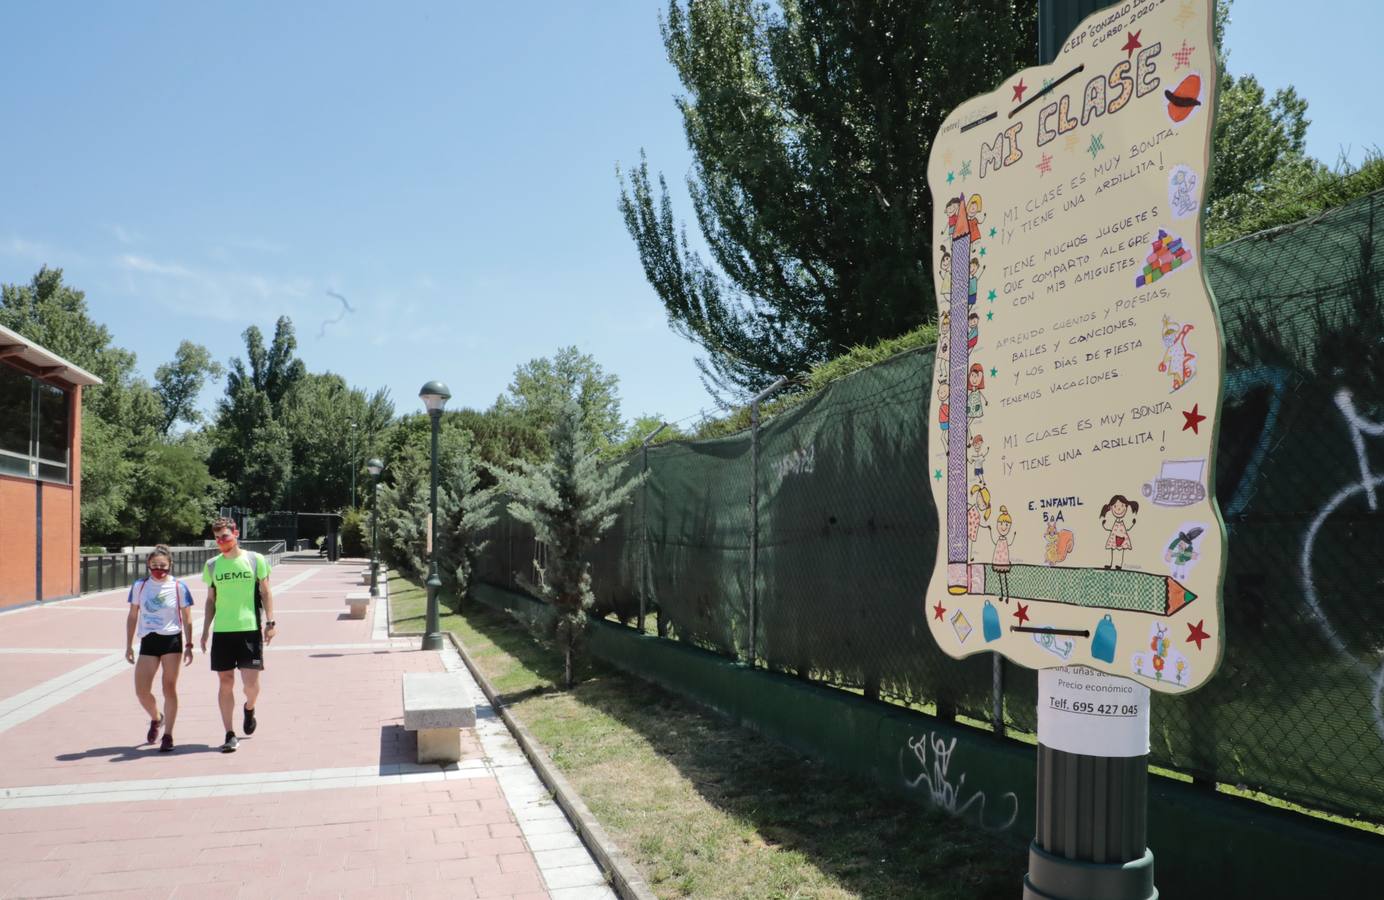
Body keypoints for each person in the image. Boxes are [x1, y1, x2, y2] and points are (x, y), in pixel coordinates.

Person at [200, 517, 276, 753]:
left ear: (236, 534)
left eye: (225, 536)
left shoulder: (255, 560)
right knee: (225, 682)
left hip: (249, 629)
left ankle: (250, 707)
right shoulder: (212, 565)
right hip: (222, 632)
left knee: (250, 686)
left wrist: (270, 622)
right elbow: (211, 600)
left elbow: (265, 592)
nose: (220, 541)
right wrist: (204, 631)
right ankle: (230, 733)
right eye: (217, 538)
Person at [124, 545, 195, 752]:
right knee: (141, 691)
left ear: (170, 565)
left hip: (172, 640)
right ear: (148, 565)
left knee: (168, 688)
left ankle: (168, 735)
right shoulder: (140, 586)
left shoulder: (178, 587)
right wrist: (128, 644)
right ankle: (156, 718)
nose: (159, 569)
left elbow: (188, 618)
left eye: (163, 565)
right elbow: (132, 615)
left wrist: (189, 644)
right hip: (149, 640)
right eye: (154, 565)